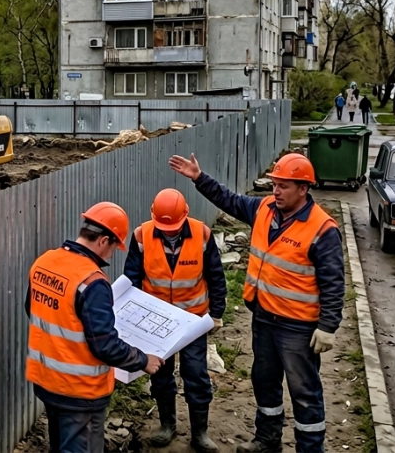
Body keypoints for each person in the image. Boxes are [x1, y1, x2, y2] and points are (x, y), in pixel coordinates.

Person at [168, 153, 344, 453]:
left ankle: (310, 448)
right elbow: (229, 200)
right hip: (264, 318)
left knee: (304, 392)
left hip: (298, 326)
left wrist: (327, 326)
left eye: (283, 186)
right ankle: (267, 439)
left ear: (303, 188)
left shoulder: (321, 229)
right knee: (264, 381)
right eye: (274, 184)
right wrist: (199, 178)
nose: (276, 191)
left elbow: (333, 282)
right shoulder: (264, 209)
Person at [26, 201, 166, 453]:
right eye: (114, 247)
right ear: (103, 241)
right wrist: (143, 360)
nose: (111, 255)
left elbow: (34, 310)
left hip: (47, 382)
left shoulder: (45, 262)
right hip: (81, 392)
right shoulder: (92, 281)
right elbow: (105, 346)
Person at [123, 189, 225, 452]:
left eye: (174, 228)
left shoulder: (202, 234)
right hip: (155, 322)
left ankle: (199, 433)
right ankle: (167, 424)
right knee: (160, 374)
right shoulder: (142, 235)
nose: (169, 232)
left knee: (196, 373)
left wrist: (216, 313)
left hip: (192, 320)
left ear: (186, 215)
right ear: (153, 215)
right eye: (164, 227)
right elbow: (132, 278)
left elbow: (215, 274)